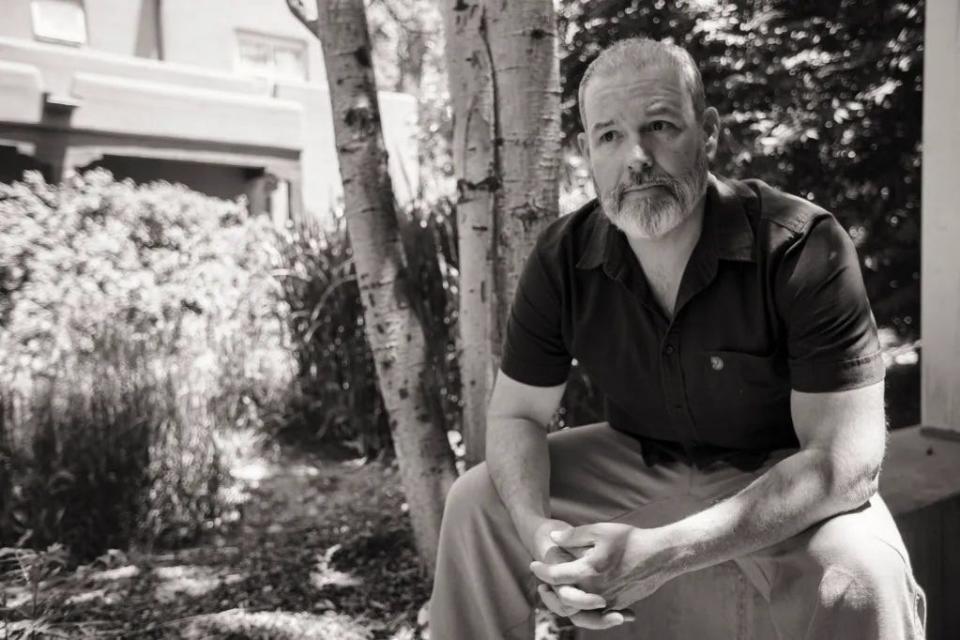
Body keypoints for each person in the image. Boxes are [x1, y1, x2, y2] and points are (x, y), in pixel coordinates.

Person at [428, 37, 926, 640]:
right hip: (635, 461)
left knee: (862, 572)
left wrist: (660, 551)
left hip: (774, 474)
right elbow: (515, 417)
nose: (636, 156)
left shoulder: (799, 246)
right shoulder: (564, 256)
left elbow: (845, 465)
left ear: (708, 132)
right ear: (587, 151)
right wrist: (540, 533)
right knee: (476, 502)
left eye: (659, 125)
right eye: (609, 136)